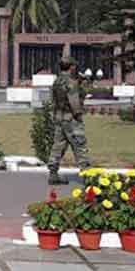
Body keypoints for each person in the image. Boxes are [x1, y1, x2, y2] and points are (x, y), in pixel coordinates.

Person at [48, 56, 92, 185]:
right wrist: (78, 116)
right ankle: (87, 174)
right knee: (80, 145)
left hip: (59, 117)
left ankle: (53, 173)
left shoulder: (57, 81)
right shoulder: (70, 82)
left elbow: (53, 100)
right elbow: (74, 102)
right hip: (70, 118)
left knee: (58, 146)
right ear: (71, 66)